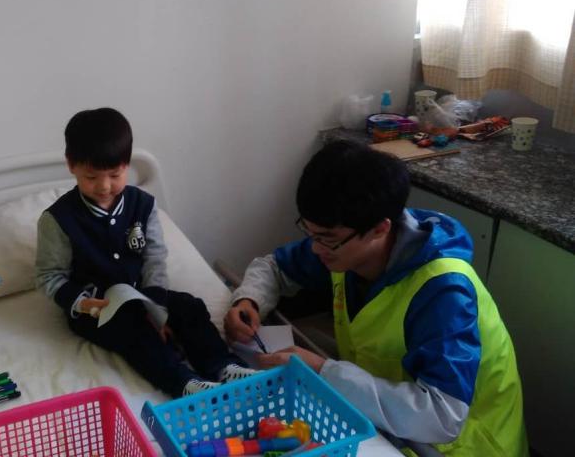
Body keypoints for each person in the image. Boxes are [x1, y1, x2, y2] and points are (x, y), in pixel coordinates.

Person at [224, 140, 528, 456]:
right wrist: (249, 300)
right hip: (387, 419)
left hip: (460, 444)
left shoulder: (443, 293)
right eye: (310, 233)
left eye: (326, 238)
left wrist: (324, 372)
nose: (315, 248)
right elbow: (274, 266)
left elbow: (442, 417)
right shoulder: (347, 243)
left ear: (379, 229)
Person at [36, 107, 256, 397]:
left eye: (115, 175)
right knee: (133, 330)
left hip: (144, 296)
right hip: (97, 309)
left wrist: (157, 310)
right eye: (91, 177)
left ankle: (223, 366)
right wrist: (85, 304)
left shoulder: (143, 205)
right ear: (71, 165)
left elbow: (154, 258)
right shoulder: (58, 220)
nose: (104, 186)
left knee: (189, 307)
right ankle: (183, 383)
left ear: (127, 166)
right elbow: (49, 276)